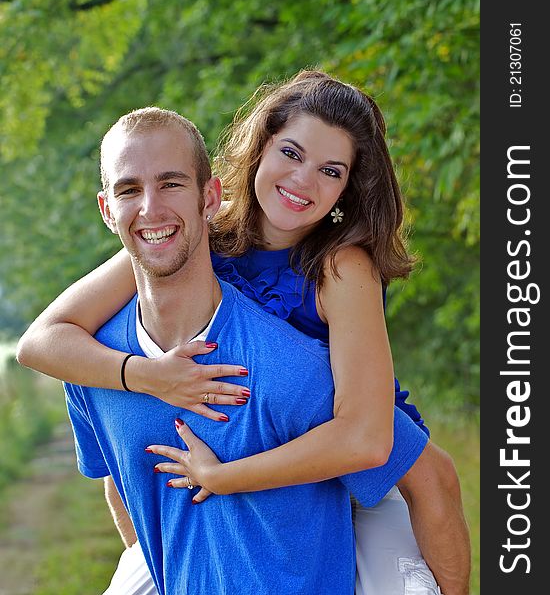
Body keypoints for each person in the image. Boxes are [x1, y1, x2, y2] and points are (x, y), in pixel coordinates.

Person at [17, 72, 470, 594]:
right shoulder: (195, 226)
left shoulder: (342, 267)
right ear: (260, 147)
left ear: (347, 186)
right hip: (242, 437)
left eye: (330, 170)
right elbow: (43, 340)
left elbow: (365, 438)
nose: (303, 181)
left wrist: (223, 479)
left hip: (346, 447)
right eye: (292, 153)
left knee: (422, 511)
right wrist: (150, 377)